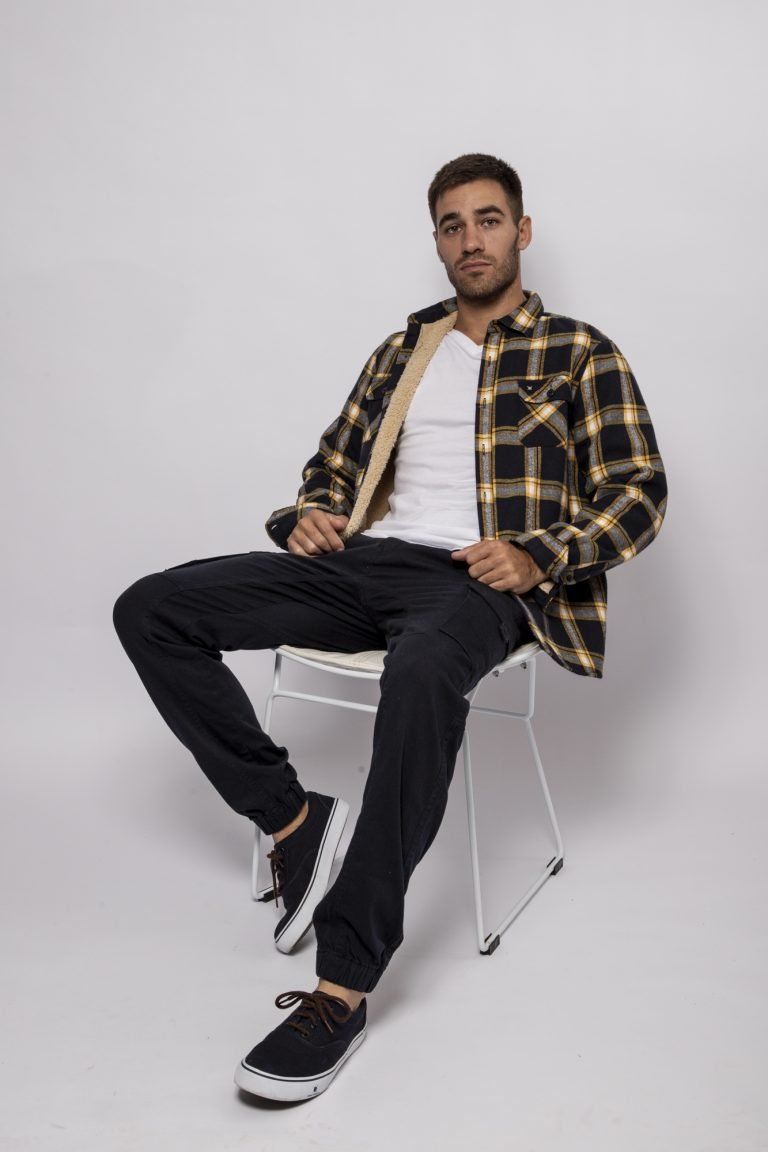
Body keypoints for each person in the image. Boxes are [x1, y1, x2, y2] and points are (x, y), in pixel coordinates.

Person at [113, 153, 667, 1102]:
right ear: (438, 241)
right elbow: (334, 463)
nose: (471, 240)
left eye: (488, 220)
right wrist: (308, 515)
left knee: (419, 676)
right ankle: (295, 822)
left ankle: (343, 985)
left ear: (522, 231)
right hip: (367, 564)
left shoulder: (579, 351)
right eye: (452, 225)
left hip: (478, 581)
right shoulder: (405, 348)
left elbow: (639, 490)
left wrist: (540, 555)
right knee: (153, 608)